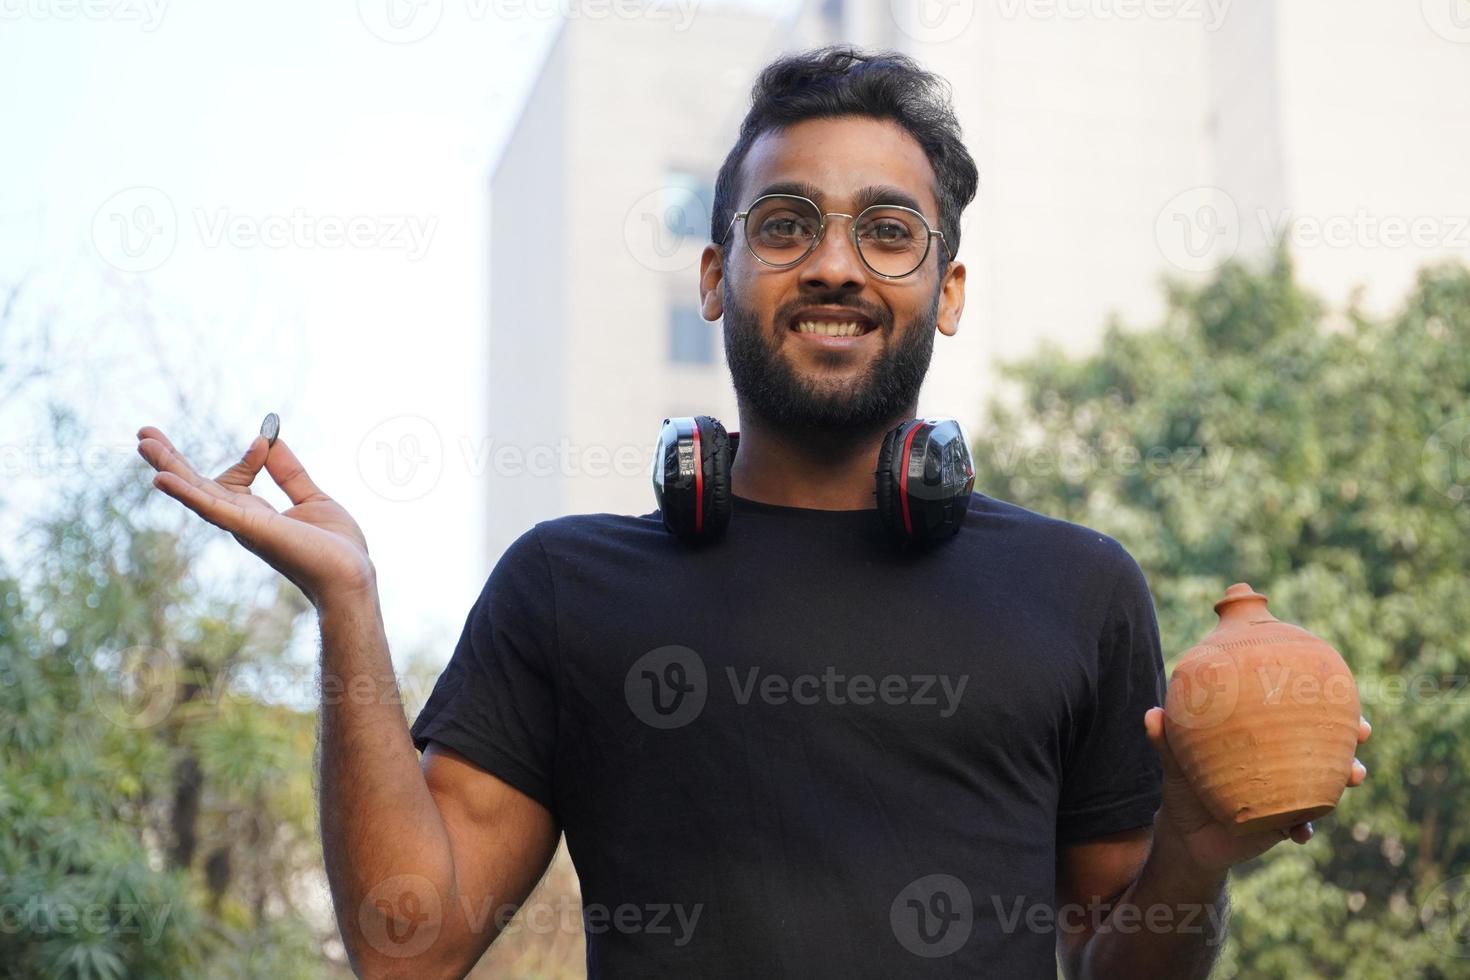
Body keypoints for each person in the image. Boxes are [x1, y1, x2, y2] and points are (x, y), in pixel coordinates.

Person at [136, 45, 1370, 980]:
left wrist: (1196, 852)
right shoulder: (566, 589)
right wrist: (347, 605)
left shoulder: (1080, 588)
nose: (835, 263)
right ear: (720, 274)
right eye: (788, 225)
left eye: (888, 233)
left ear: (945, 292)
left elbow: (1118, 959)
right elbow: (409, 945)